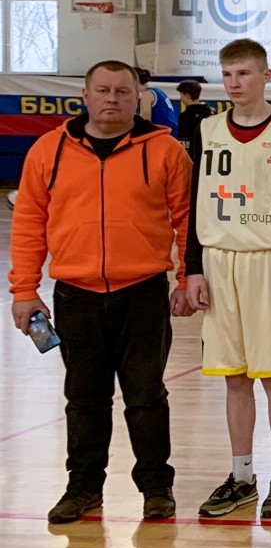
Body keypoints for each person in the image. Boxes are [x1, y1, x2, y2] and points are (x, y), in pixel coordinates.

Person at [8, 61, 191, 524]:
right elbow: (28, 223)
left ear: (137, 98)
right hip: (75, 295)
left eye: (122, 92)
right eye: (103, 90)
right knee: (84, 398)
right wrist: (24, 289)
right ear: (85, 96)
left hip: (143, 293)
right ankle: (84, 488)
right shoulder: (48, 151)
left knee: (146, 396)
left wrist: (187, 278)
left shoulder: (166, 151)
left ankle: (156, 488)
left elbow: (188, 220)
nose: (112, 99)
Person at [187, 40, 271, 520]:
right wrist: (192, 268)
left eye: (243, 73)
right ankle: (242, 476)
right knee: (234, 377)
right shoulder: (207, 129)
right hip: (218, 261)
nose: (234, 83)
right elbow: (195, 203)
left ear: (266, 76)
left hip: (267, 261)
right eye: (227, 74)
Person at [176, 80, 214, 158]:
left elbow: (184, 142)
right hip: (210, 155)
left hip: (193, 158)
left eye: (181, 95)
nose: (180, 98)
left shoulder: (185, 116)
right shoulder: (212, 112)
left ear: (187, 96)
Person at [138, 68, 179, 139]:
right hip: (173, 133)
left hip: (165, 134)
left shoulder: (146, 94)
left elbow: (145, 122)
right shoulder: (157, 90)